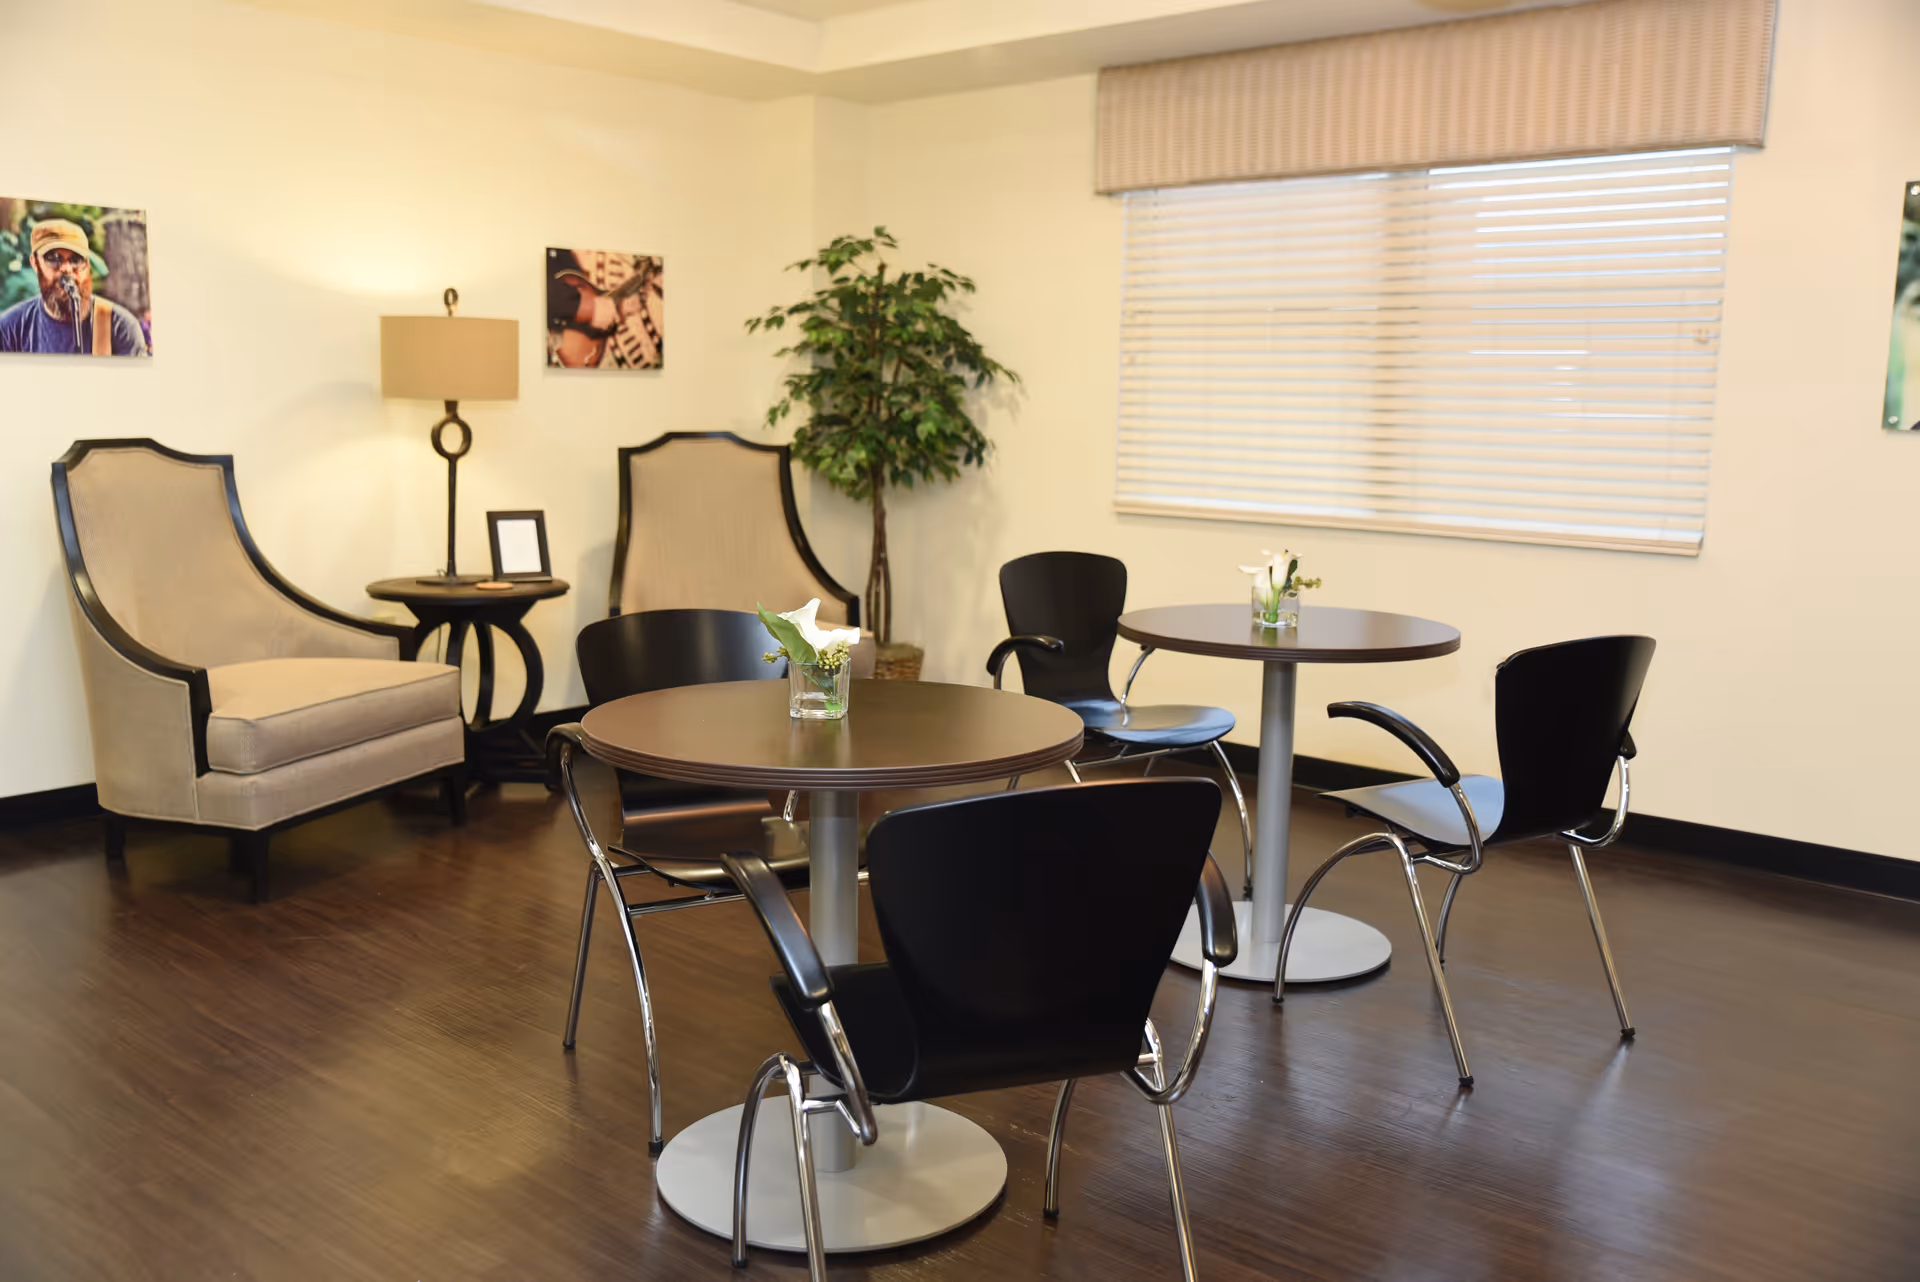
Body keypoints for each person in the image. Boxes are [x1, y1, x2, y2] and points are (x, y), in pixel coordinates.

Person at [0, 219, 148, 356]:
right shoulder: (9, 328)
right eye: (53, 258)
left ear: (88, 264)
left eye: (76, 259)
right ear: (34, 263)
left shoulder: (120, 327)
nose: (66, 268)